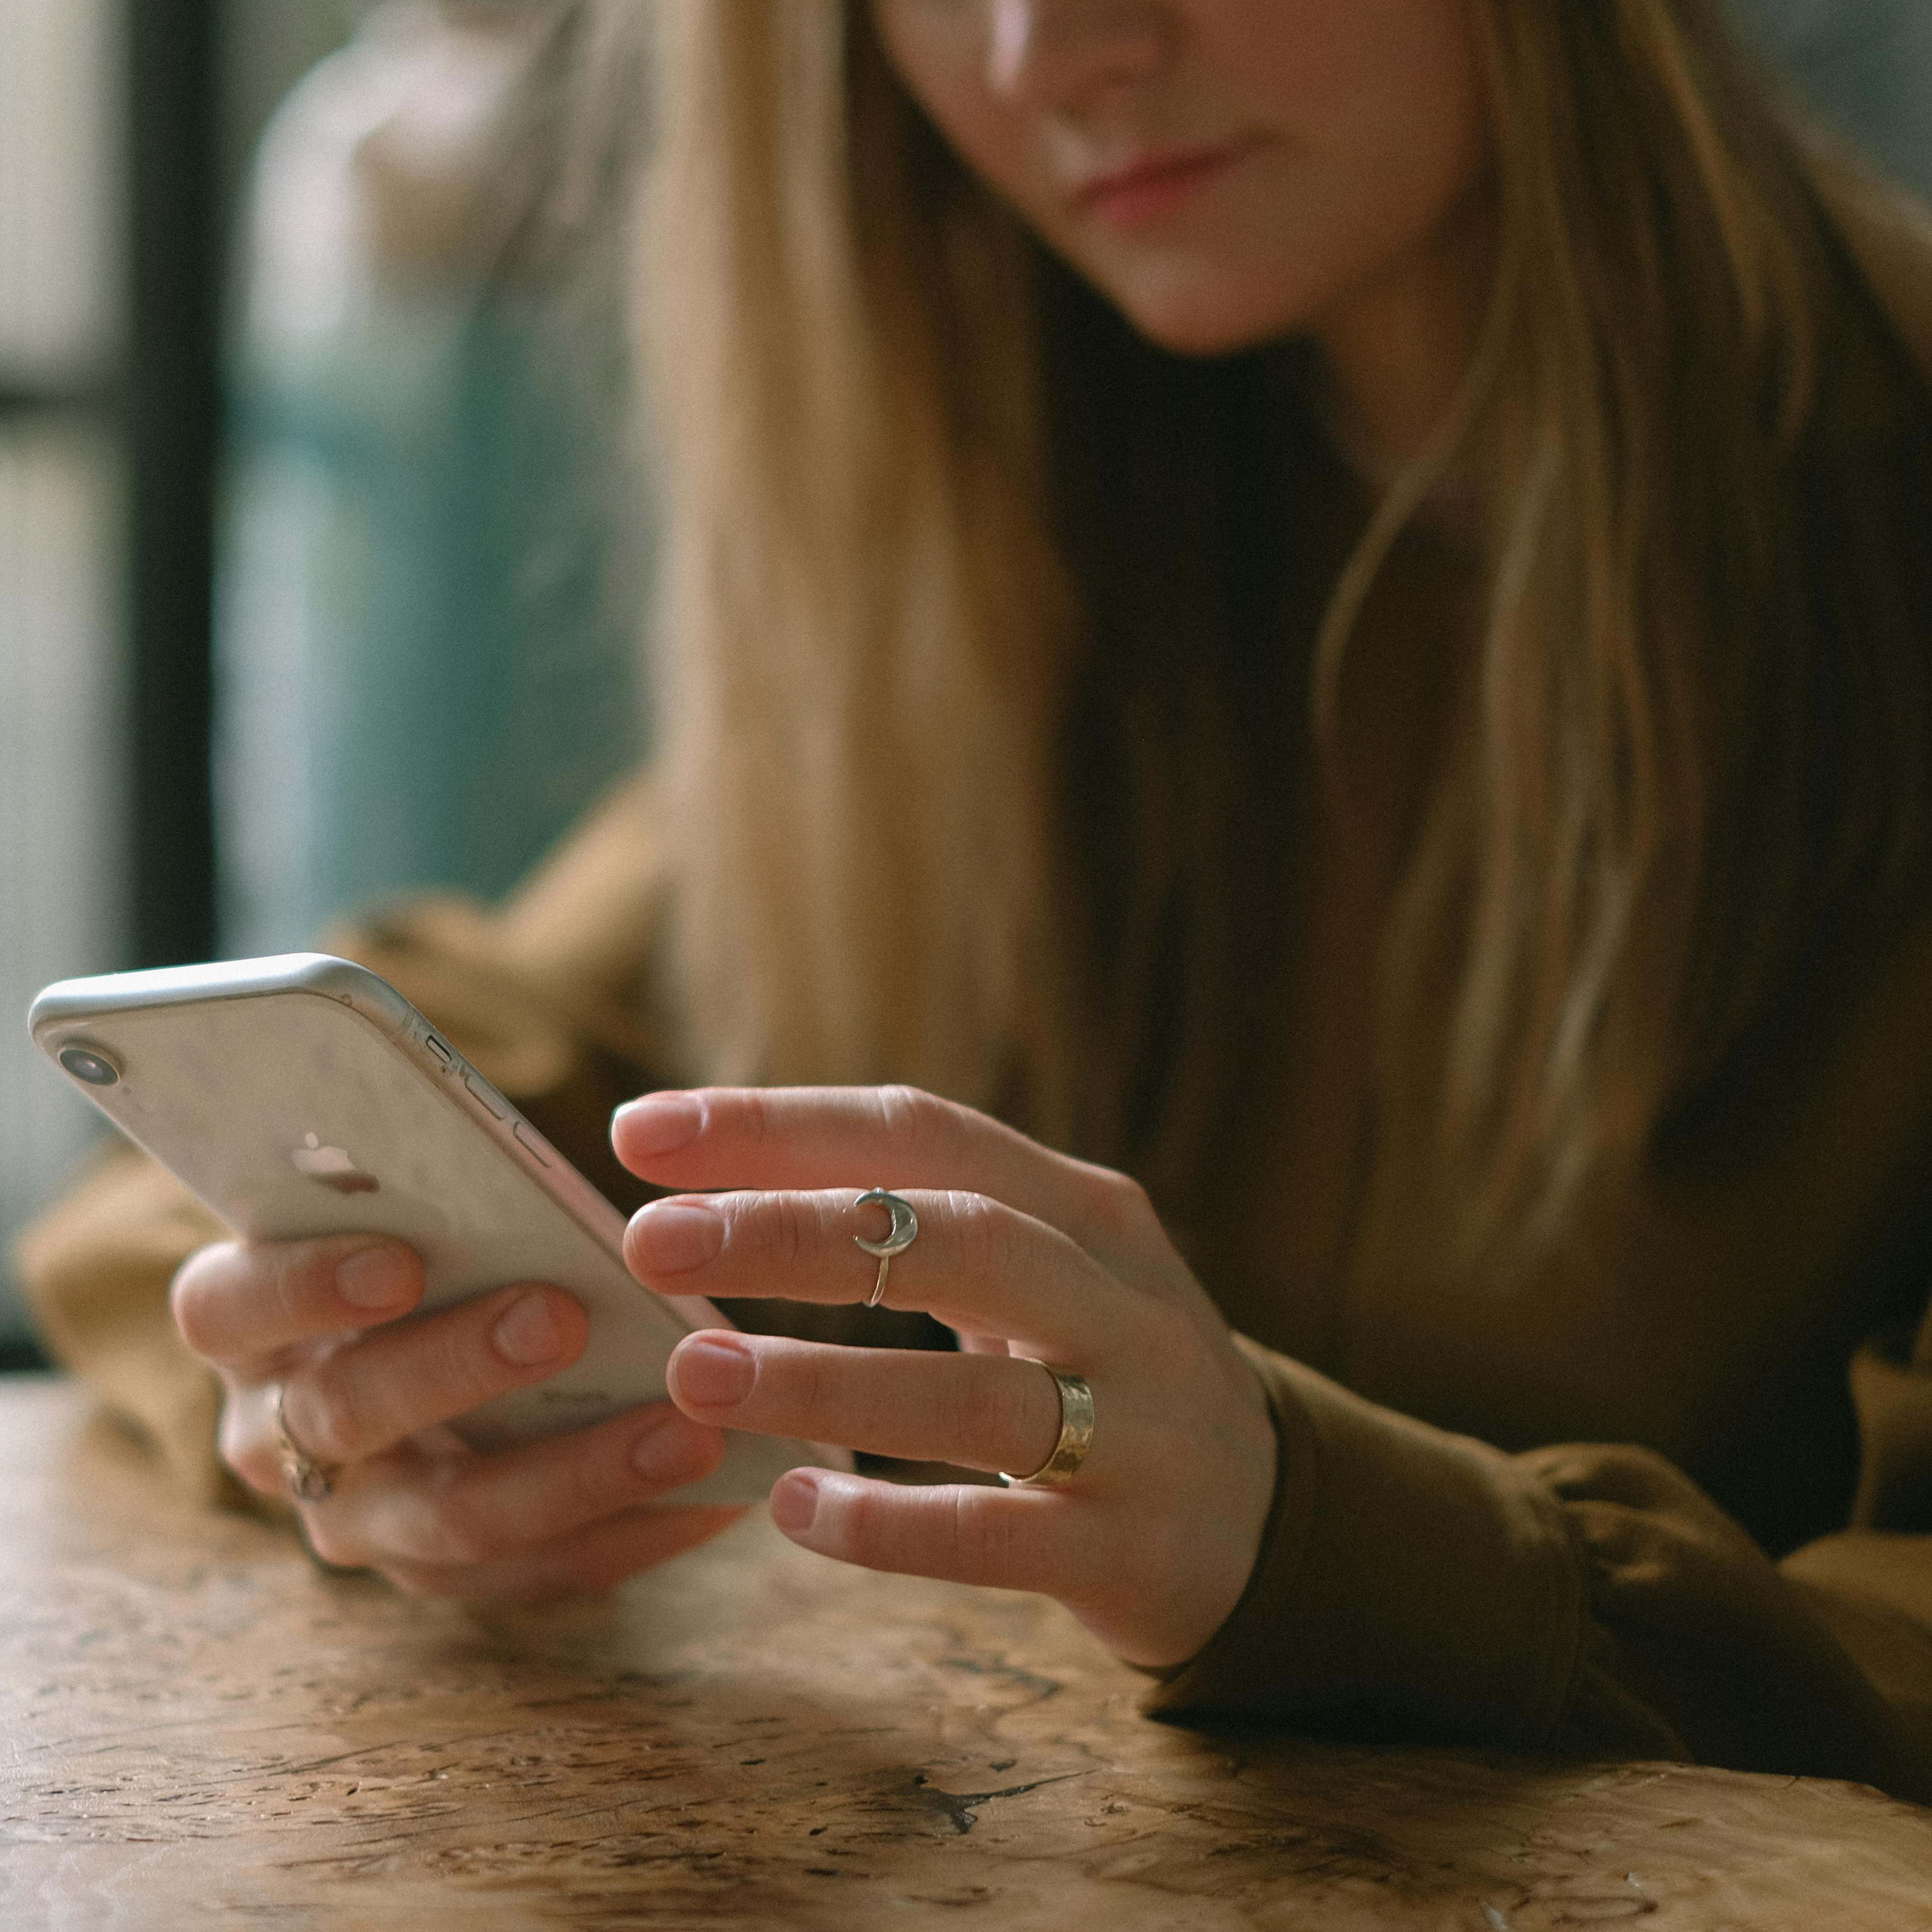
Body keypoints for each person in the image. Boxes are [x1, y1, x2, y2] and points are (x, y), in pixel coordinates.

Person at [20, 0, 1932, 1801]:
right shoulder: (1024, 541)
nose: (1047, 51)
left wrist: (1313, 1534)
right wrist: (337, 1393)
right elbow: (360, 1100)